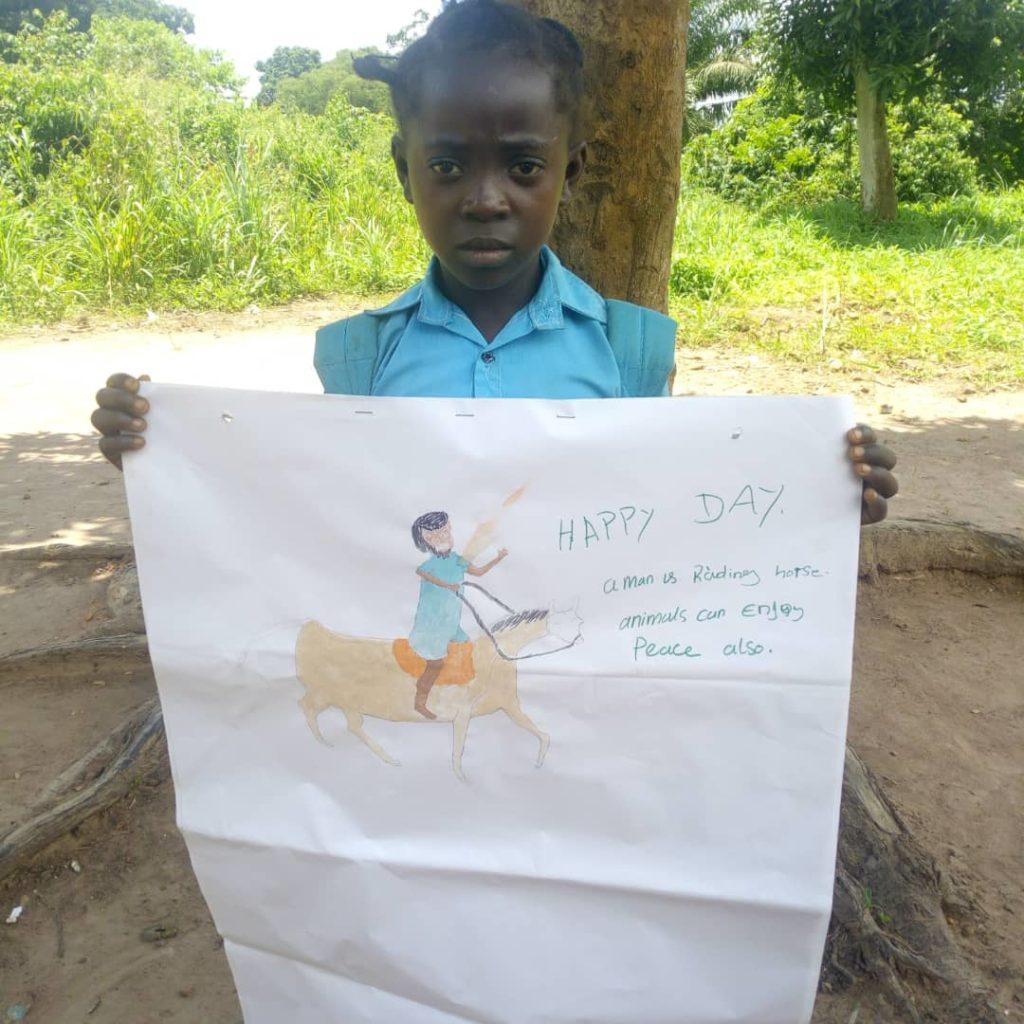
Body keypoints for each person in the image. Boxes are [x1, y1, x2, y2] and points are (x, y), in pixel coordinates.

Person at [91, 1, 897, 512]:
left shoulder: (631, 348)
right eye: (447, 166)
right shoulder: (361, 354)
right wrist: (168, 459)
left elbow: (666, 510)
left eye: (522, 166)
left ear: (570, 172)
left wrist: (817, 501)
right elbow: (322, 511)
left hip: (581, 682)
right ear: (404, 171)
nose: (484, 198)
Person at [407, 511, 507, 718]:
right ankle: (419, 702)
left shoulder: (457, 559)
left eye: (445, 531)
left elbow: (478, 572)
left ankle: (456, 693)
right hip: (432, 626)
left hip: (451, 621)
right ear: (426, 540)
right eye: (435, 535)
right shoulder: (429, 565)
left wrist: (498, 558)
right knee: (435, 665)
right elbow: (423, 573)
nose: (442, 537)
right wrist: (448, 585)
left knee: (466, 650)